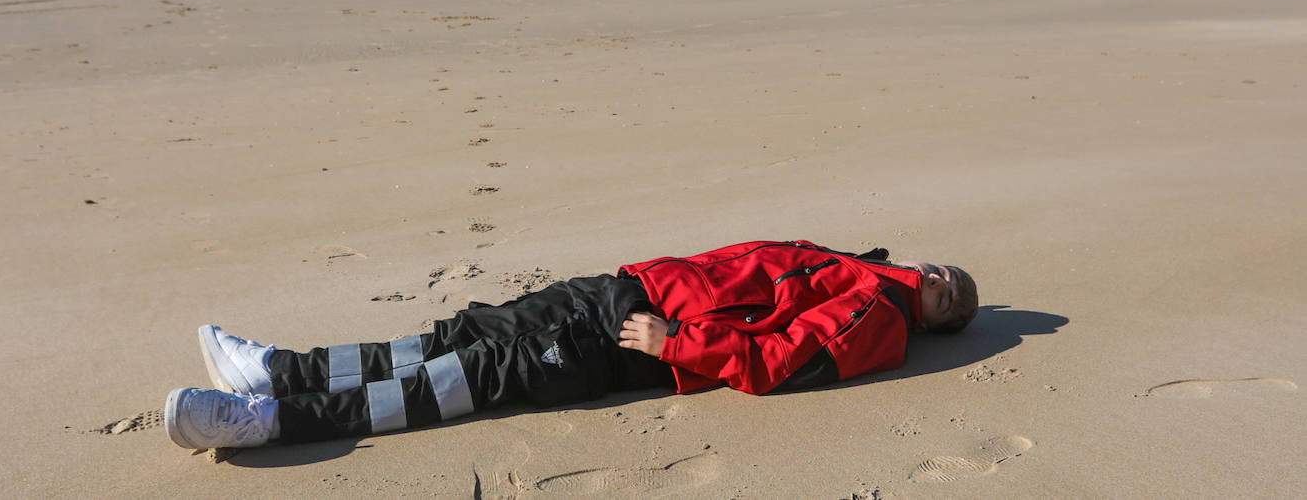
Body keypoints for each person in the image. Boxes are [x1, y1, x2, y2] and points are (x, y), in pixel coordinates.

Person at [165, 240, 978, 450]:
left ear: (933, 321)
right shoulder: (864, 265)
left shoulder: (878, 315)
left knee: (462, 378)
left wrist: (674, 341)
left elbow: (779, 361)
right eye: (944, 272)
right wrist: (645, 287)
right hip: (622, 291)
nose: (937, 279)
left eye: (946, 296)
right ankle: (280, 370)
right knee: (457, 335)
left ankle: (267, 421)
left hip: (636, 342)